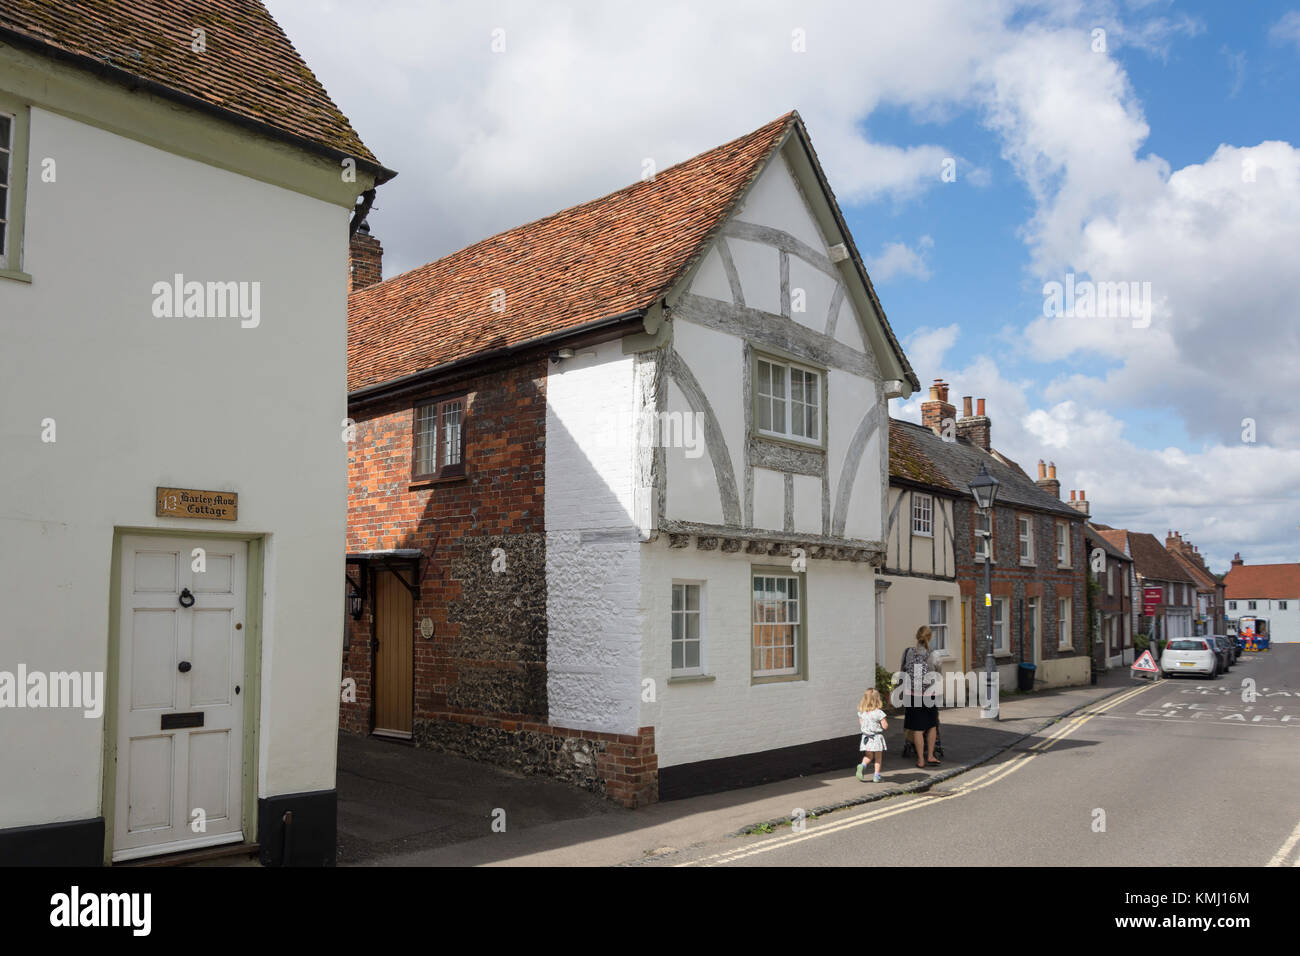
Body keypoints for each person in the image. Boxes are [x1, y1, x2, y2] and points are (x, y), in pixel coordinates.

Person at [902, 625, 942, 768]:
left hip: (912, 694)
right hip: (929, 694)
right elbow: (938, 675)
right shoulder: (934, 654)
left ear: (917, 637)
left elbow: (904, 671)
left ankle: (920, 760)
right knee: (931, 726)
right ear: (930, 637)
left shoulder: (908, 652)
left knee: (917, 728)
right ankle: (930, 756)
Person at [856, 688, 888, 782]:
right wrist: (883, 725)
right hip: (876, 738)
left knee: (869, 756)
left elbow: (862, 724)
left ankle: (862, 765)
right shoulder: (879, 713)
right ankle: (876, 776)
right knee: (878, 757)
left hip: (866, 737)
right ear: (877, 699)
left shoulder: (862, 713)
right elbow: (885, 726)